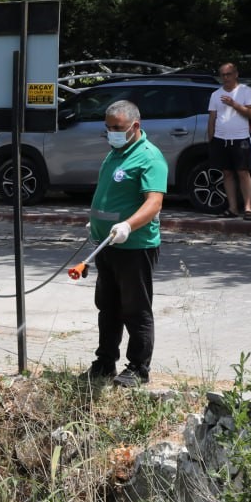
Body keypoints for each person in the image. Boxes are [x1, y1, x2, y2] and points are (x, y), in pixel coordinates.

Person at [84, 100, 168, 388]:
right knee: (107, 307)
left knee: (135, 308)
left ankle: (138, 368)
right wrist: (97, 224)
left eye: (117, 128)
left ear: (135, 126)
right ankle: (105, 361)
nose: (112, 133)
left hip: (135, 246)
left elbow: (154, 202)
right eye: (108, 128)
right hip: (108, 245)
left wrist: (128, 226)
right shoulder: (115, 154)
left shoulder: (149, 157)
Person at [206, 62, 251, 220]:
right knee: (227, 173)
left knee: (243, 172)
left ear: (236, 74)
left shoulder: (245, 91)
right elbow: (212, 119)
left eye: (229, 74)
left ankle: (248, 208)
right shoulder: (215, 94)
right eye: (223, 75)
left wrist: (234, 104)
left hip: (240, 138)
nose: (226, 78)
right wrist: (211, 139)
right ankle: (233, 208)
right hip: (221, 139)